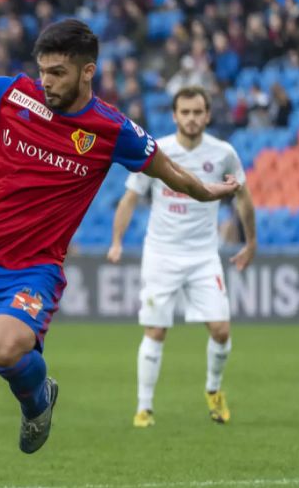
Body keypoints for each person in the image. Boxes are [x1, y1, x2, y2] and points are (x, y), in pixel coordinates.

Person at [0, 19, 241, 488]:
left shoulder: (111, 129)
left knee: (7, 347)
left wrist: (209, 193)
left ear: (87, 71)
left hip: (34, 265)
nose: (47, 82)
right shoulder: (14, 93)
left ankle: (37, 399)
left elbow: (171, 172)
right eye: (43, 71)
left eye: (58, 73)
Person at [107, 86, 256, 428]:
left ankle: (213, 390)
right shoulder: (156, 151)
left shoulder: (224, 154)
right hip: (161, 254)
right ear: (174, 116)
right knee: (156, 330)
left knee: (220, 331)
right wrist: (116, 240)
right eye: (184, 112)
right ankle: (144, 407)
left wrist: (251, 242)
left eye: (197, 112)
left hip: (204, 256)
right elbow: (130, 198)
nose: (191, 118)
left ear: (207, 115)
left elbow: (243, 199)